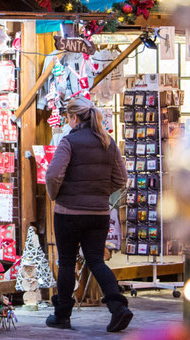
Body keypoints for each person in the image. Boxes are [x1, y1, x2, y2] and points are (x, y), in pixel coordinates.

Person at [45, 96, 133, 332]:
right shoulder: (107, 142)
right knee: (95, 260)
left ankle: (62, 315)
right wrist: (100, 193)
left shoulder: (69, 142)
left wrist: (56, 196)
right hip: (99, 213)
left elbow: (53, 175)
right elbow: (121, 179)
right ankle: (118, 308)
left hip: (68, 214)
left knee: (66, 262)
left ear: (73, 118)